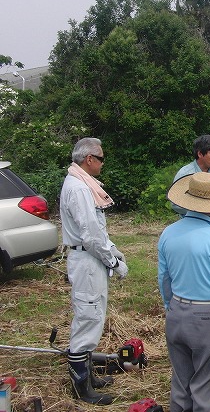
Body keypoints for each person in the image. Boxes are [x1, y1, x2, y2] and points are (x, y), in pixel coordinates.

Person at [158, 172, 210, 412]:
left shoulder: (168, 233)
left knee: (181, 383)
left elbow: (164, 278)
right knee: (204, 386)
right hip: (207, 317)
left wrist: (170, 306)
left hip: (176, 312)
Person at [60, 137, 129, 405]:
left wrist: (113, 250)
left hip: (91, 259)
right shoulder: (78, 188)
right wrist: (111, 261)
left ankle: (88, 376)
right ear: (89, 159)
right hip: (87, 260)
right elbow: (89, 235)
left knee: (94, 315)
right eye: (100, 158)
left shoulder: (84, 184)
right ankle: (82, 388)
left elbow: (97, 231)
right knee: (88, 316)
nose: (102, 163)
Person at [171, 134, 210, 221]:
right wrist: (199, 210)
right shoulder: (185, 173)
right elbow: (174, 204)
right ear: (200, 154)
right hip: (189, 223)